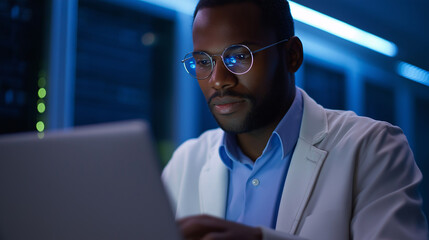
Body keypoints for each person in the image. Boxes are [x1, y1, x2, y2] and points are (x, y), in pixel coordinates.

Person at [161, 0, 429, 239]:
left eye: (240, 56)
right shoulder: (185, 163)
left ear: (292, 56)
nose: (219, 80)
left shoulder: (373, 147)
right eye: (203, 62)